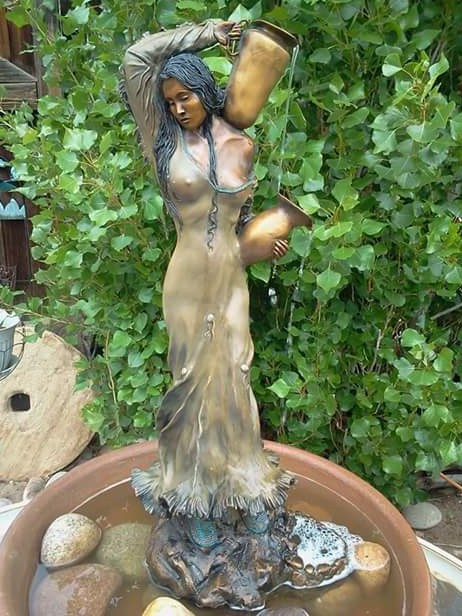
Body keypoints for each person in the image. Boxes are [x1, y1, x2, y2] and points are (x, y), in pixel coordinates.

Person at [122, 19, 292, 548]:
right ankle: (191, 492)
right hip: (187, 279)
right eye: (170, 100)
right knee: (190, 384)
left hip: (231, 277)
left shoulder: (241, 144)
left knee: (235, 378)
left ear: (205, 90)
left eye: (186, 96)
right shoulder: (162, 142)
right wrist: (208, 33)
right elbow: (136, 57)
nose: (177, 108)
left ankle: (245, 486)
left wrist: (261, 240)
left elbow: (239, 222)